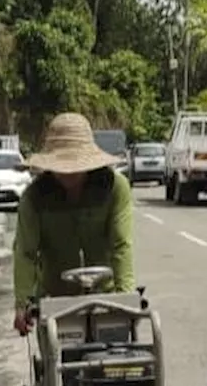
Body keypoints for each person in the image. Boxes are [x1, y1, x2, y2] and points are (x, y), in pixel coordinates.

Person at [12, 112, 135, 334]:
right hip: (55, 299)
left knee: (116, 358)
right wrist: (22, 304)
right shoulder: (34, 197)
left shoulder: (115, 188)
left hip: (105, 297)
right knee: (56, 359)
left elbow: (121, 245)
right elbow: (25, 253)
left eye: (76, 166)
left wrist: (125, 297)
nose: (69, 173)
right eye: (62, 167)